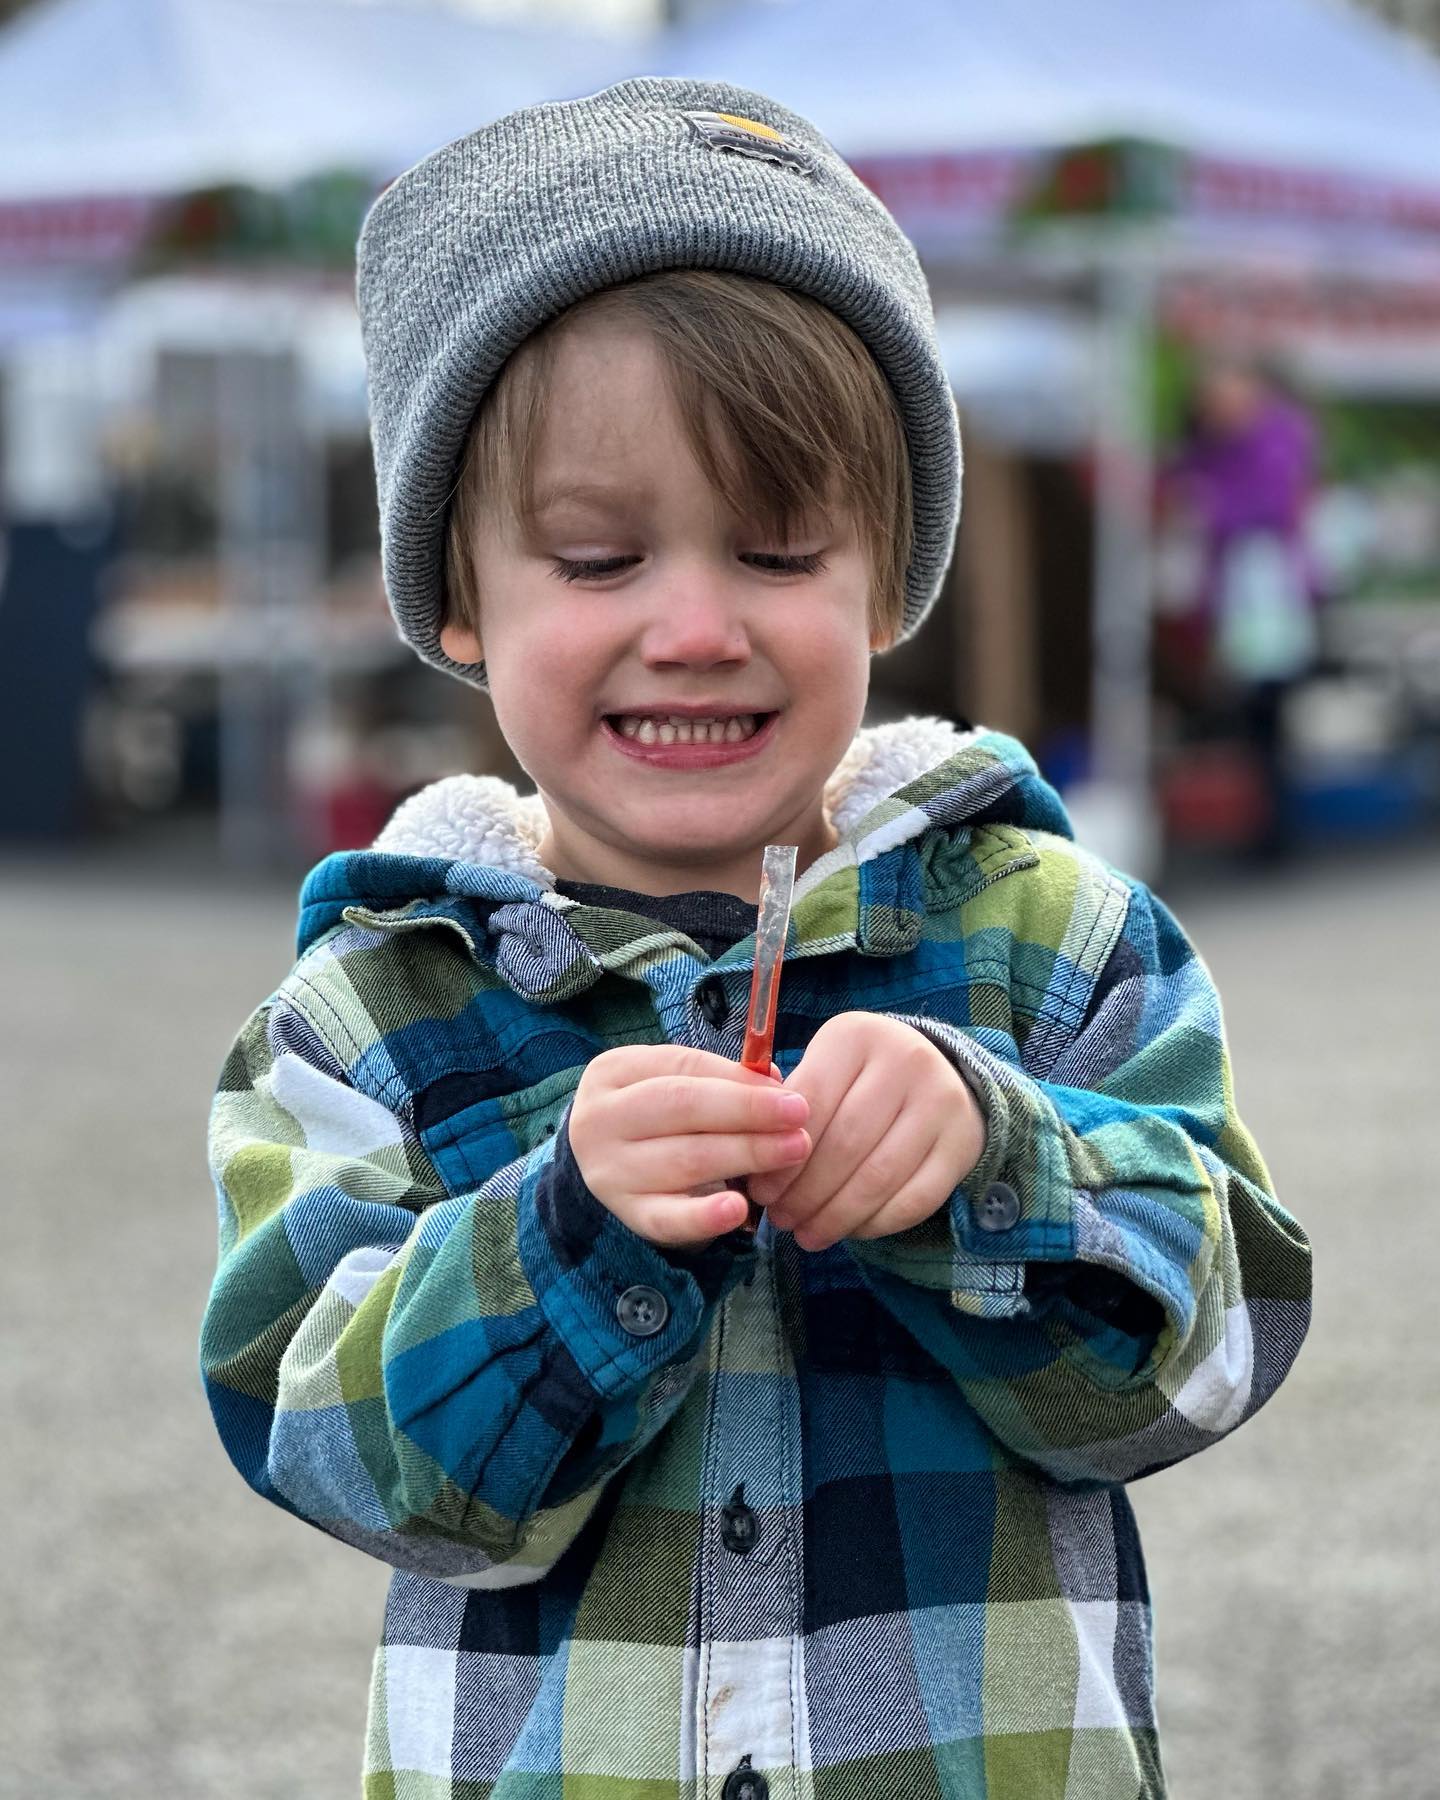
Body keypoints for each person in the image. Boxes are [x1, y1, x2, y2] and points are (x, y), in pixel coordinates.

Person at [199, 79, 1312, 1800]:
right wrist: (564, 1238)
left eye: (781, 546)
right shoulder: (375, 1011)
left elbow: (1209, 1357)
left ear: (886, 584)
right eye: (597, 556)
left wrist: (997, 1161)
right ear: (460, 599)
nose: (698, 626)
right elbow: (331, 1451)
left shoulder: (1055, 941)